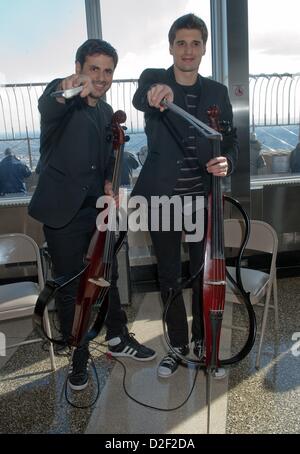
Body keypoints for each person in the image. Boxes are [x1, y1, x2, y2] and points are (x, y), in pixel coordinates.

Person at [28, 39, 156, 391]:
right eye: (93, 68)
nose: (100, 77)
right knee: (71, 287)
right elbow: (50, 102)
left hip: (97, 211)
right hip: (63, 214)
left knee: (106, 277)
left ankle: (116, 337)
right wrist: (64, 88)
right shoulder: (62, 101)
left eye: (107, 70)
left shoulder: (106, 112)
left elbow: (105, 159)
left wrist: (108, 183)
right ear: (79, 67)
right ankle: (79, 354)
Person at [132, 14, 238, 378]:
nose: (188, 50)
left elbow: (231, 140)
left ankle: (202, 344)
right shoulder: (154, 80)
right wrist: (155, 94)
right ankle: (176, 346)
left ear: (204, 48)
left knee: (202, 275)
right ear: (171, 47)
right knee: (169, 276)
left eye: (195, 43)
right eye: (181, 43)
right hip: (162, 202)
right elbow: (141, 96)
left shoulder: (217, 93)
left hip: (202, 202)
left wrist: (227, 160)